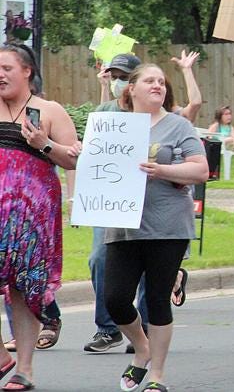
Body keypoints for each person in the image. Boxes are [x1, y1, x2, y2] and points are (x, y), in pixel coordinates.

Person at [100, 64, 208, 392]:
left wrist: (162, 170)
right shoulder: (113, 126)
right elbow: (93, 163)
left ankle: (158, 375)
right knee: (115, 298)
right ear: (130, 89)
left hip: (167, 226)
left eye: (162, 81)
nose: (158, 85)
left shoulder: (178, 125)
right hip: (123, 225)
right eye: (150, 80)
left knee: (157, 299)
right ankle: (142, 348)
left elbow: (201, 169)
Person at [0, 43, 79, 391]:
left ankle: (25, 370)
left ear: (27, 71)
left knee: (22, 289)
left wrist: (44, 144)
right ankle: (3, 357)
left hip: (33, 217)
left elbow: (73, 158)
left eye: (6, 68)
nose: (0, 75)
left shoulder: (48, 110)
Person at [83, 53, 149, 354]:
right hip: (110, 201)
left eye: (124, 76)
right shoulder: (103, 112)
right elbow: (92, 158)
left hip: (145, 200)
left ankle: (145, 327)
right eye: (114, 75)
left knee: (147, 263)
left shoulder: (151, 113)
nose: (117, 81)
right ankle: (108, 328)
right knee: (99, 258)